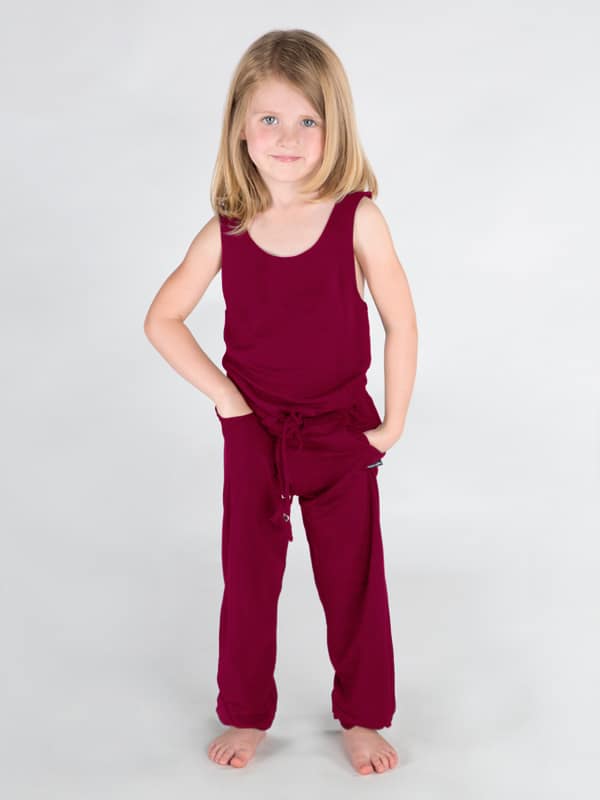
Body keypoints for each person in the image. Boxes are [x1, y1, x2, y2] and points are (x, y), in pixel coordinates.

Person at [143, 28, 418, 775]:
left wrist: (391, 424)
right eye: (270, 118)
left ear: (335, 127)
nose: (288, 137)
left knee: (353, 581)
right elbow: (162, 319)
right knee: (250, 577)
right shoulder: (226, 230)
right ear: (240, 125)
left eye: (307, 120)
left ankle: (362, 715)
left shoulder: (358, 218)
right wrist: (228, 400)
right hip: (255, 431)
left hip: (340, 431)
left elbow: (400, 322)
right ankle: (245, 711)